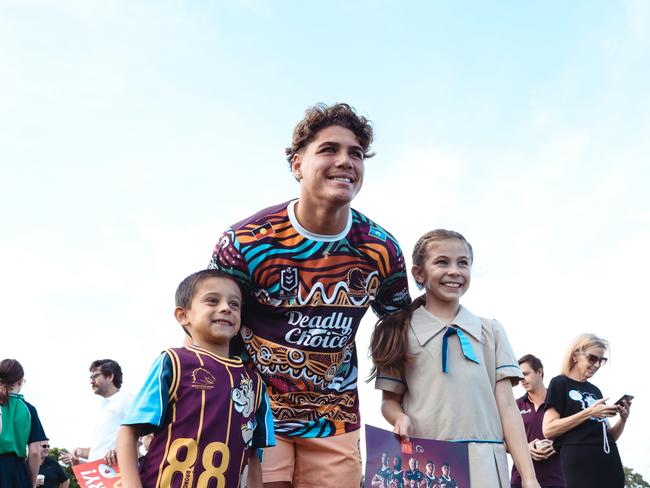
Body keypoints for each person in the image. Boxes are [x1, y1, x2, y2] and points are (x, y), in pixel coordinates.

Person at [208, 102, 410, 487]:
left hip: (335, 418)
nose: (345, 161)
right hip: (255, 414)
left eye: (355, 153)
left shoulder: (380, 250)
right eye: (329, 149)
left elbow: (400, 325)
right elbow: (208, 328)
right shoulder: (246, 242)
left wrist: (394, 402)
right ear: (297, 164)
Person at [370, 229, 541, 488]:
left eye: (463, 263)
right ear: (419, 273)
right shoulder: (397, 331)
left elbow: (507, 406)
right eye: (442, 262)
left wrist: (529, 477)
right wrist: (398, 418)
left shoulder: (491, 331)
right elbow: (389, 402)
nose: (454, 270)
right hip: (427, 463)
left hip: (486, 465)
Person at [117, 269, 275, 488]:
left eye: (234, 304)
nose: (225, 308)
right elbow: (129, 431)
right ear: (183, 315)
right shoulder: (173, 362)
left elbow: (253, 456)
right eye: (212, 300)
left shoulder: (255, 385)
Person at [542, 334, 630, 488]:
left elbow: (610, 437)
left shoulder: (595, 390)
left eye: (601, 361)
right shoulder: (559, 383)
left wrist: (623, 419)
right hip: (580, 465)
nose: (597, 365)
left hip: (609, 463)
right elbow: (548, 429)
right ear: (575, 355)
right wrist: (589, 413)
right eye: (592, 358)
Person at [60, 359, 133, 466]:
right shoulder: (104, 406)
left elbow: (144, 436)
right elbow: (103, 450)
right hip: (102, 474)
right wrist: (80, 453)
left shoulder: (127, 399)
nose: (91, 381)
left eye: (95, 376)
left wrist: (119, 452)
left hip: (118, 473)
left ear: (110, 376)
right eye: (91, 377)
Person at [511, 354, 564, 488]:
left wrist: (556, 445)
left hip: (557, 480)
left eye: (525, 374)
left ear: (539, 371)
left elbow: (575, 436)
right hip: (521, 481)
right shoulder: (514, 406)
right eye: (519, 376)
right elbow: (504, 441)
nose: (522, 380)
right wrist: (524, 448)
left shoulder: (560, 402)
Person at [0, 358, 47, 488]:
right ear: (20, 381)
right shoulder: (28, 410)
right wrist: (31, 483)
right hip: (15, 472)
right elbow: (35, 452)